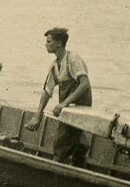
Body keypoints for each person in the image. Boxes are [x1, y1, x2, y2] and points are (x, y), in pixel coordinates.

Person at [25, 27, 92, 165]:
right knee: (76, 139)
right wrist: (38, 115)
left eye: (49, 41)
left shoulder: (73, 59)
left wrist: (63, 104)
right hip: (68, 107)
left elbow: (84, 84)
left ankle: (58, 165)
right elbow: (47, 91)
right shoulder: (55, 66)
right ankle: (78, 164)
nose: (46, 44)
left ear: (59, 43)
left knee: (61, 141)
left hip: (80, 106)